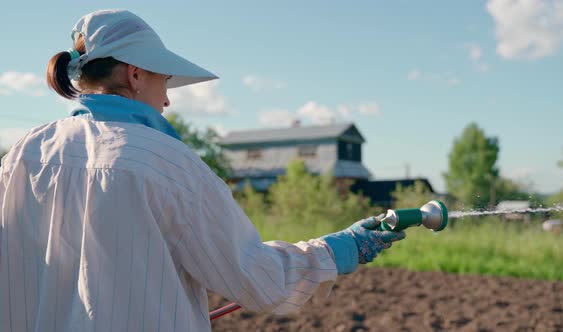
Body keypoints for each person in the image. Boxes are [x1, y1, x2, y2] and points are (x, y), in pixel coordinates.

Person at [0, 9, 405, 331]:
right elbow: (261, 281)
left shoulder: (22, 154)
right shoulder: (169, 164)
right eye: (165, 81)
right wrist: (340, 247)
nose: (168, 101)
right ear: (135, 74)